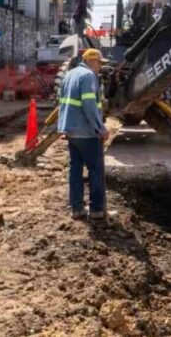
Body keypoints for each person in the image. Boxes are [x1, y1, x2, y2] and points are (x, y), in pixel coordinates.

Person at [57, 48, 109, 220]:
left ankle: (77, 208)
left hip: (72, 131)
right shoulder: (88, 76)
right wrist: (100, 128)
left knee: (75, 171)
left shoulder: (70, 74)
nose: (101, 67)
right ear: (91, 61)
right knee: (95, 170)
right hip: (87, 133)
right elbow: (89, 105)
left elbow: (62, 102)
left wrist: (64, 127)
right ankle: (96, 210)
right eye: (100, 63)